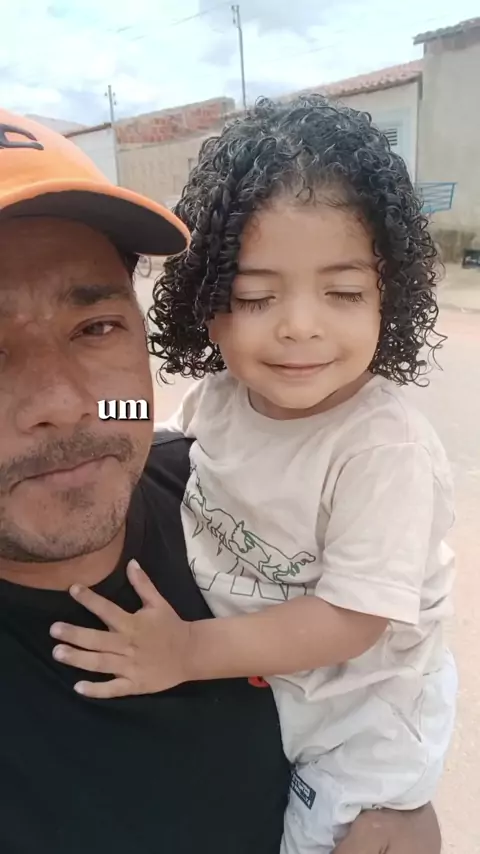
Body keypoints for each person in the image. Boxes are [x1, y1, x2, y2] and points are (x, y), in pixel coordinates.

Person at [0, 107, 440, 854]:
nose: (64, 403)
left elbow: (128, 416)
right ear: (209, 314)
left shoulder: (222, 479)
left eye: (95, 327)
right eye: (258, 298)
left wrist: (402, 812)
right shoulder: (221, 413)